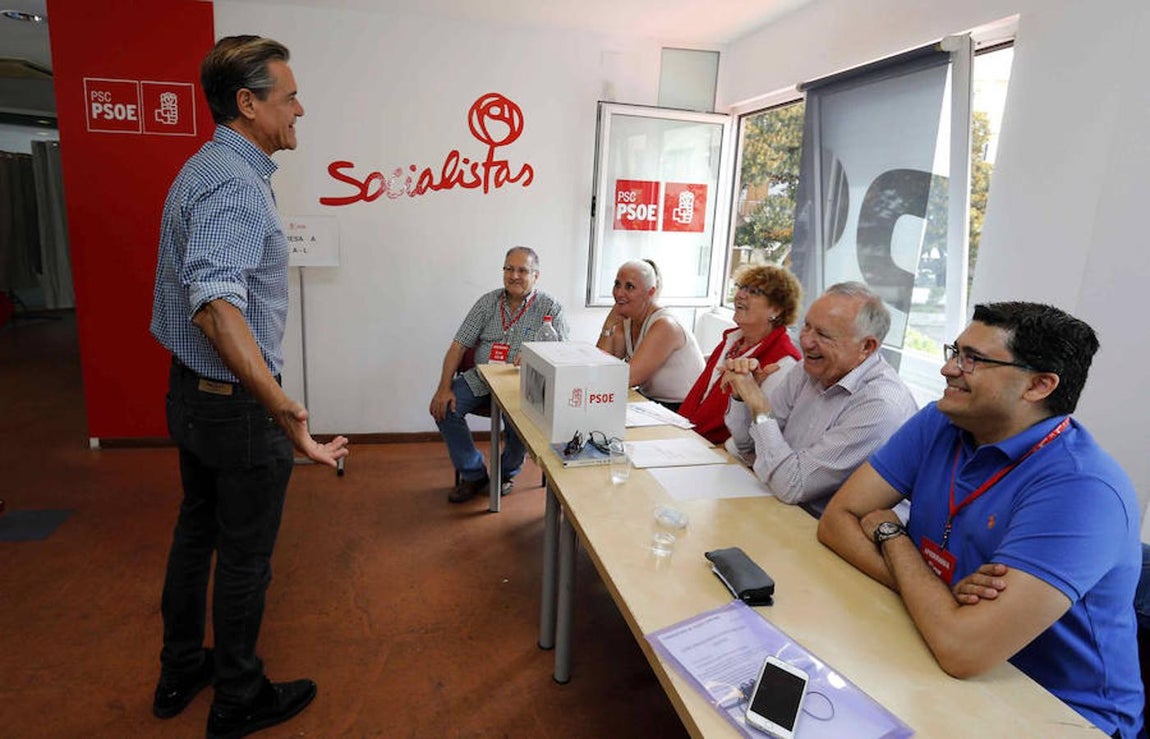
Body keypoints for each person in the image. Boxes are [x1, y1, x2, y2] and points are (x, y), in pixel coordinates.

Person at [817, 302, 1143, 737]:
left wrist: (892, 535)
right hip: (933, 654)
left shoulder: (1082, 490)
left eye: (973, 359)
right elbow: (837, 519)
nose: (949, 369)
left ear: (1039, 385)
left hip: (1059, 714)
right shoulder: (941, 421)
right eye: (955, 351)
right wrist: (941, 601)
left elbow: (963, 650)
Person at [149, 36, 349, 738]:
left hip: (191, 395)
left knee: (195, 531)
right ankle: (237, 697)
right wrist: (281, 406)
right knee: (243, 559)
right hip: (236, 409)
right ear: (248, 102)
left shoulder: (204, 168)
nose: (301, 107)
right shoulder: (235, 184)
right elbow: (215, 303)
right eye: (288, 95)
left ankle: (180, 667)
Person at [722, 281, 916, 510]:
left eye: (823, 334)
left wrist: (760, 406)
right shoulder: (808, 370)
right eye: (807, 327)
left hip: (827, 531)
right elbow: (748, 446)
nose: (805, 341)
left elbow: (793, 486)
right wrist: (741, 396)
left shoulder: (880, 404)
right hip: (782, 507)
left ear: (867, 347)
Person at [429, 246, 567, 504]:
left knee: (523, 426)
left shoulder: (551, 308)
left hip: (523, 385)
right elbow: (458, 345)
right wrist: (443, 387)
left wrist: (536, 355)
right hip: (481, 380)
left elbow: (563, 354)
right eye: (509, 269)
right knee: (444, 409)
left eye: (522, 270)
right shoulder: (487, 302)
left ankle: (505, 474)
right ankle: (474, 475)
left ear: (536, 275)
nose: (514, 275)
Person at [678, 265, 802, 444]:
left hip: (722, 454)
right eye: (741, 287)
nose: (741, 295)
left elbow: (762, 433)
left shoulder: (784, 362)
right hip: (687, 439)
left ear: (776, 310)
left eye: (754, 291)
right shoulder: (732, 340)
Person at [595, 259, 704, 411]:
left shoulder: (665, 325)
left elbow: (626, 379)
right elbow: (599, 369)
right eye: (617, 284)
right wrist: (608, 326)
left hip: (682, 409)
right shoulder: (628, 319)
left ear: (650, 292)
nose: (619, 293)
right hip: (652, 402)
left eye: (630, 287)